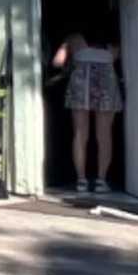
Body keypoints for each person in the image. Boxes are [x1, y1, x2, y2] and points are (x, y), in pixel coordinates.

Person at [50, 30, 122, 195]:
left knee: (80, 134)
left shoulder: (73, 38)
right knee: (104, 136)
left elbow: (57, 62)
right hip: (106, 86)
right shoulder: (114, 41)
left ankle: (81, 181)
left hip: (81, 86)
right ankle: (101, 181)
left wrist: (71, 57)